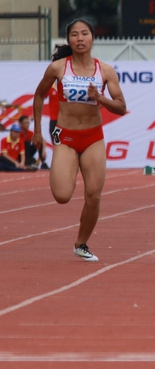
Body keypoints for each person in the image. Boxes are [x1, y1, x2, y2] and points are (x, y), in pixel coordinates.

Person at [32, 19, 127, 262]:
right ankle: (64, 167)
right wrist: (38, 131)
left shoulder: (105, 71)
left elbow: (120, 107)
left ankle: (81, 243)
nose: (80, 38)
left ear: (93, 38)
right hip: (66, 136)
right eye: (75, 34)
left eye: (85, 34)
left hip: (93, 137)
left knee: (94, 195)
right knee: (62, 196)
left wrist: (100, 98)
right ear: (69, 40)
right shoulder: (58, 68)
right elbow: (39, 95)